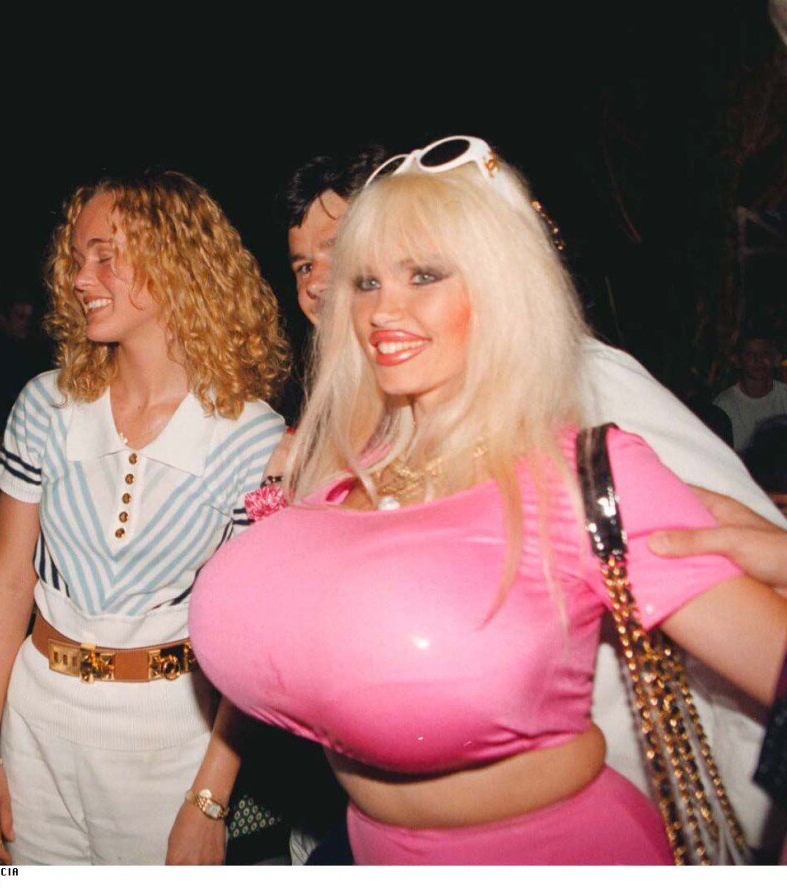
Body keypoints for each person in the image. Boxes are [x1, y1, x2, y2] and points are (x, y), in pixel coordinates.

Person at [190, 136, 787, 864]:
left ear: (502, 286)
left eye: (424, 275)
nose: (383, 310)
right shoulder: (357, 462)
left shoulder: (586, 469)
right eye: (367, 281)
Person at [0, 170, 290, 865]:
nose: (81, 279)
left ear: (176, 259)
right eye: (76, 259)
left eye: (104, 255)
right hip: (36, 724)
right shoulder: (45, 405)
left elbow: (254, 638)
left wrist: (211, 798)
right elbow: (11, 580)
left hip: (172, 740)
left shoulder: (254, 439)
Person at [713, 334, 787, 451]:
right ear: (737, 360)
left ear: (776, 359)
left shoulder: (784, 395)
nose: (758, 360)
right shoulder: (723, 404)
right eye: (750, 354)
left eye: (765, 354)